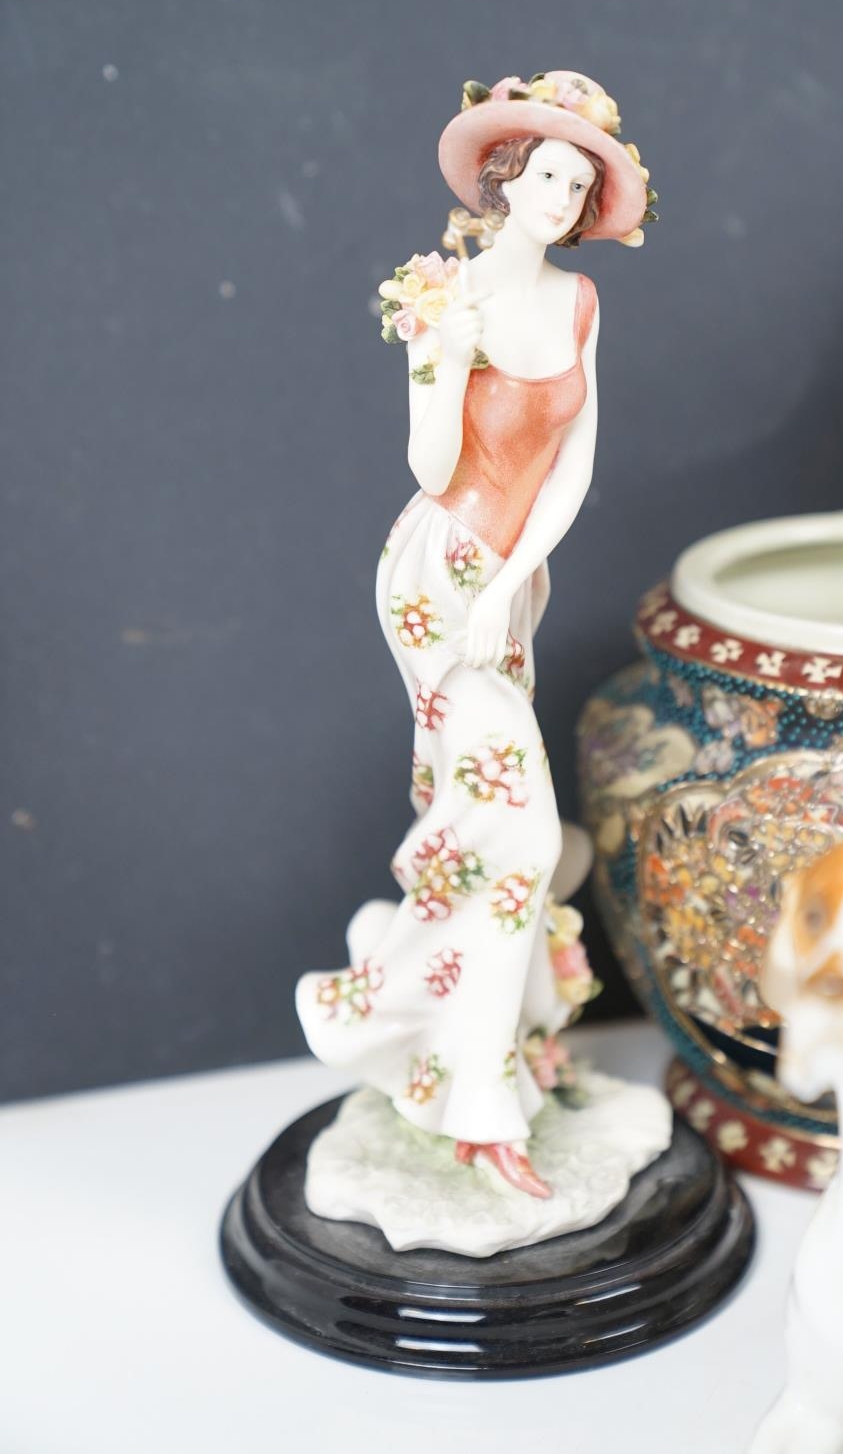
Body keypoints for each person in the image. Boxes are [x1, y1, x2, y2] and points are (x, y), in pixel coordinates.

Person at [297, 72, 653, 1198]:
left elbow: (574, 463)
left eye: (577, 184)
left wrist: (511, 582)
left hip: (508, 582)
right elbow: (431, 465)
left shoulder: (579, 304)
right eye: (544, 173)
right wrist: (439, 352)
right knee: (521, 834)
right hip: (434, 574)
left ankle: (451, 1020)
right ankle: (470, 1093)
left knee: (483, 825)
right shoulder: (445, 295)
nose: (558, 195)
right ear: (504, 179)